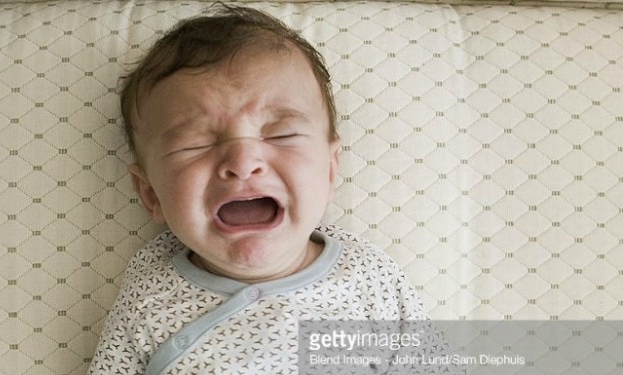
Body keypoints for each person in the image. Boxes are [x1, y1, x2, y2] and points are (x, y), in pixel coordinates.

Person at [88, 5, 431, 374]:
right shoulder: (151, 292)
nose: (243, 159)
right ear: (151, 194)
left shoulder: (367, 276)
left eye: (281, 134)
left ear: (330, 171)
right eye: (195, 143)